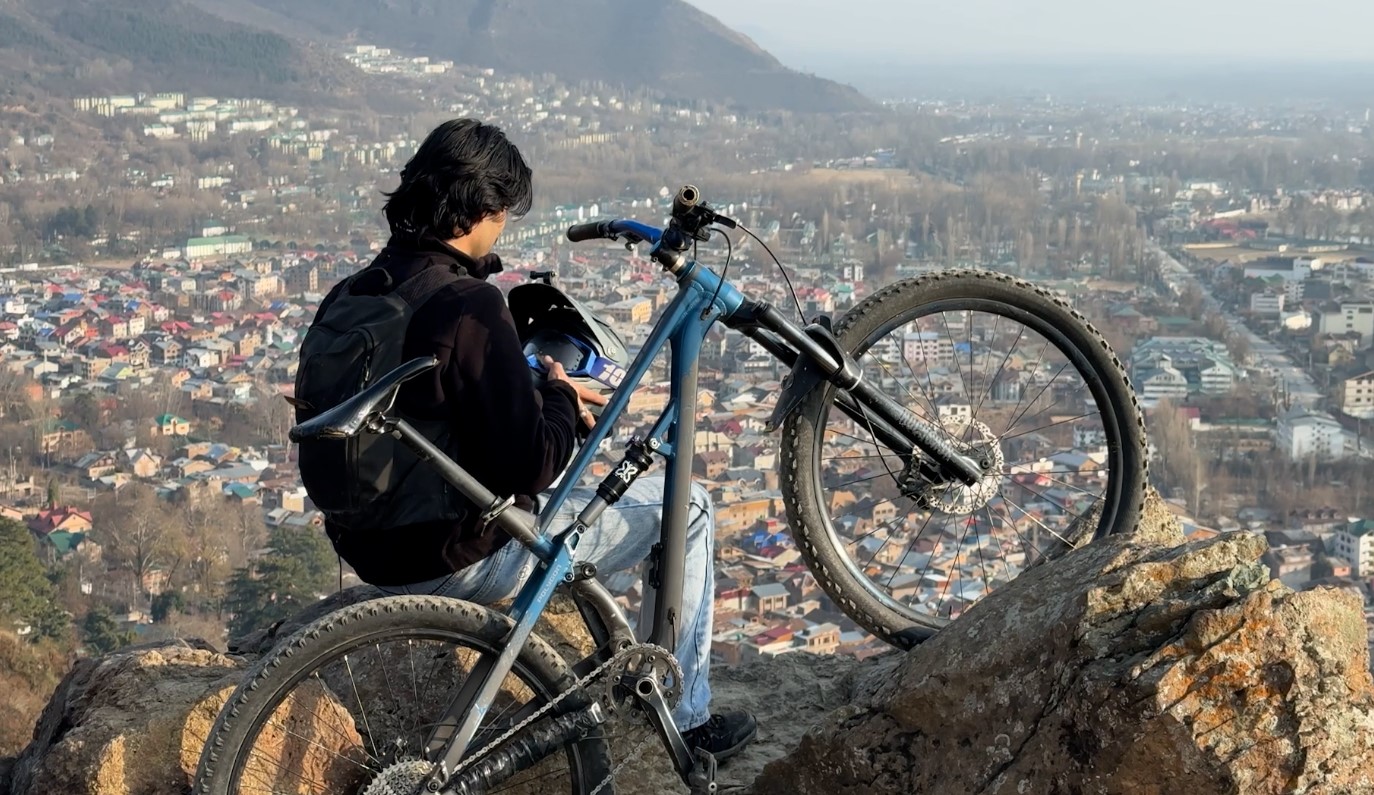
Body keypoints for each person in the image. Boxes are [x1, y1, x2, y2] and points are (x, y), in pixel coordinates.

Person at [312, 118, 757, 762]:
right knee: (689, 509)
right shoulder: (467, 305)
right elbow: (530, 464)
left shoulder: (356, 293)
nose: (503, 228)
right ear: (484, 209)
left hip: (369, 548)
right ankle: (687, 721)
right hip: (449, 559)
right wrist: (560, 397)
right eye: (502, 214)